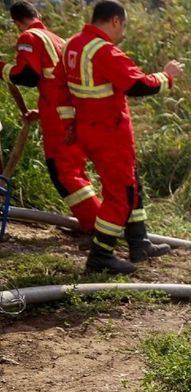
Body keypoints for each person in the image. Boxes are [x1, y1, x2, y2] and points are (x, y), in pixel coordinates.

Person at [55, 0, 184, 274]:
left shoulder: (71, 45)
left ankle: (139, 243)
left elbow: (59, 88)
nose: (123, 32)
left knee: (131, 183)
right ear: (115, 21)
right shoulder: (103, 51)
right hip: (109, 135)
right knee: (120, 196)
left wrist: (68, 122)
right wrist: (167, 76)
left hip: (89, 129)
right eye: (123, 26)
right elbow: (136, 85)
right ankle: (101, 256)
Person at [0, 1, 100, 231]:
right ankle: (89, 223)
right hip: (69, 114)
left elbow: (28, 75)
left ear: (17, 22)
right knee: (74, 173)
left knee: (65, 174)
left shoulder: (29, 37)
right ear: (38, 14)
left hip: (59, 119)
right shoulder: (58, 40)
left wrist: (2, 68)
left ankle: (98, 231)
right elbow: (54, 81)